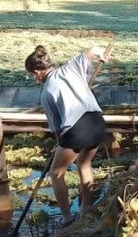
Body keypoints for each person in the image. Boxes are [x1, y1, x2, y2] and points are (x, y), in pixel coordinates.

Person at [25, 44, 109, 227]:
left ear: (38, 71)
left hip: (77, 128)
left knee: (56, 173)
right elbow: (92, 50)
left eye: (32, 74)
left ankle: (67, 218)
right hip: (97, 122)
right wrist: (101, 54)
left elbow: (56, 129)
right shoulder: (71, 67)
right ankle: (86, 209)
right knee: (84, 165)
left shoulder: (46, 92)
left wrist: (60, 145)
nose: (33, 78)